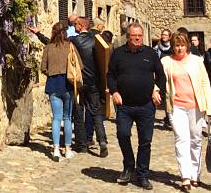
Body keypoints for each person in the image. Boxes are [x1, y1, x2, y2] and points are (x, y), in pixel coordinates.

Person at [107, 23, 165, 189]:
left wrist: (158, 90)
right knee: (123, 134)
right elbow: (110, 76)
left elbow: (161, 76)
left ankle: (142, 175)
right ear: (128, 37)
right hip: (125, 105)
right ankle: (128, 165)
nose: (138, 38)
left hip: (146, 105)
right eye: (134, 36)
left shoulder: (150, 53)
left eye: (140, 35)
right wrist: (114, 92)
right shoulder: (118, 54)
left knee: (145, 141)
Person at [161, 32, 211, 190]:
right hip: (176, 106)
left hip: (196, 106)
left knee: (195, 140)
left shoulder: (197, 61)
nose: (179, 48)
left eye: (182, 45)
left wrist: (209, 108)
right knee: (181, 139)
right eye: (177, 45)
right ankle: (185, 176)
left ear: (187, 46)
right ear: (172, 46)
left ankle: (195, 175)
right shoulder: (166, 62)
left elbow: (205, 83)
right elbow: (158, 79)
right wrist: (156, 90)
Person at [71, 17, 107, 156]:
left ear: (81, 26)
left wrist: (39, 34)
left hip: (79, 81)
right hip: (93, 81)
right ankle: (102, 141)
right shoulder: (95, 41)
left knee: (79, 112)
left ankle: (81, 144)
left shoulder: (75, 40)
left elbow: (55, 44)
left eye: (75, 24)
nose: (74, 26)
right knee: (96, 112)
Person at [41, 21, 77, 161]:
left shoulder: (48, 48)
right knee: (67, 118)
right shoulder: (70, 46)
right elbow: (79, 65)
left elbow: (43, 68)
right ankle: (67, 149)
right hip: (67, 84)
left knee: (56, 118)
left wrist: (52, 73)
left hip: (53, 84)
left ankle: (56, 149)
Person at [154, 29, 173, 129]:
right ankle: (168, 117)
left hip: (170, 75)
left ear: (169, 37)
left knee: (170, 96)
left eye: (166, 35)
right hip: (160, 75)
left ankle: (170, 118)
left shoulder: (173, 48)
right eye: (162, 34)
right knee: (163, 96)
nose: (163, 36)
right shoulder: (157, 48)